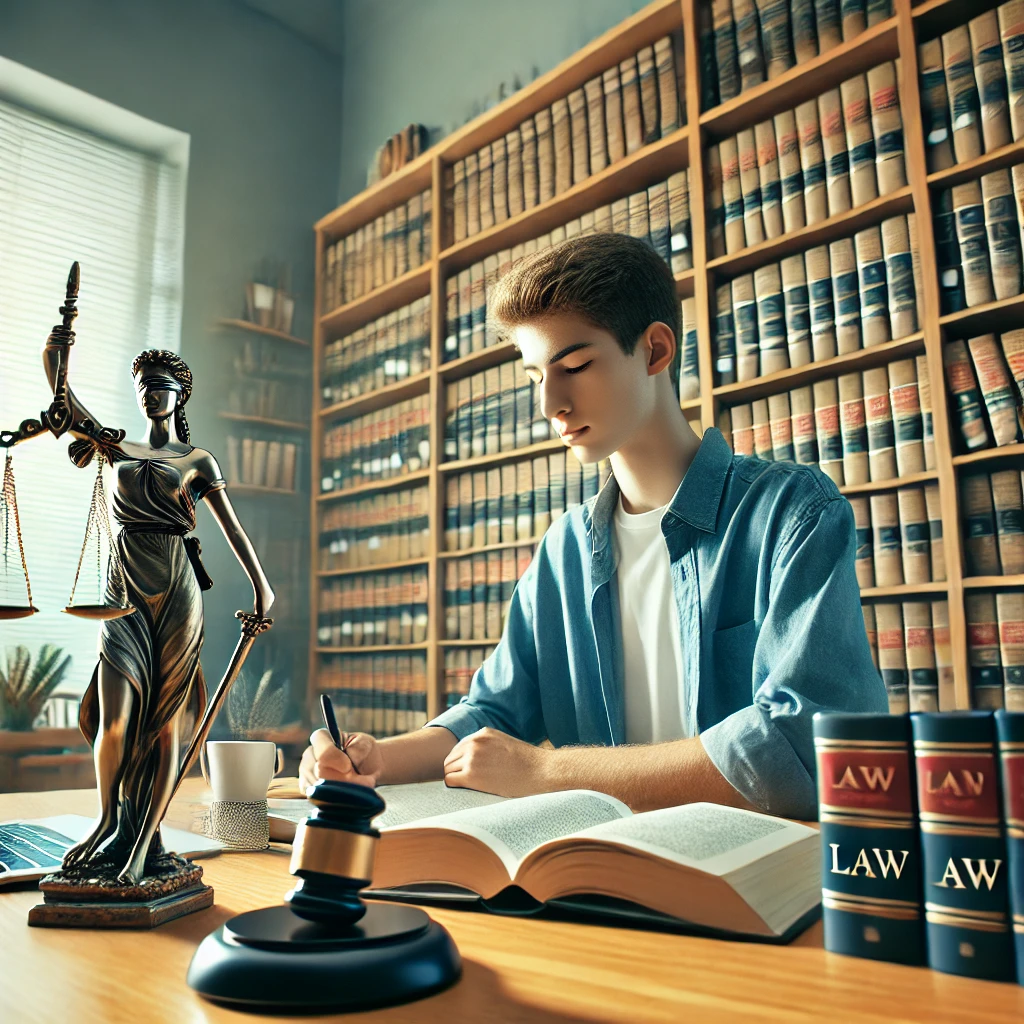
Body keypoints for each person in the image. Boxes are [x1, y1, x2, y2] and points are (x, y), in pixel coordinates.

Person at [301, 233, 886, 820]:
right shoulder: (565, 551)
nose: (549, 403)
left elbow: (805, 749)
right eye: (534, 376)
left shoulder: (791, 512)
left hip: (756, 881)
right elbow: (494, 715)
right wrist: (378, 758)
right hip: (600, 870)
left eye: (575, 365)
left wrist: (546, 772)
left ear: (655, 351)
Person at [45, 347, 275, 884]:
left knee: (168, 721)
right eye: (144, 386)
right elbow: (61, 393)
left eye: (160, 386)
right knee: (116, 716)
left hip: (177, 587)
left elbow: (232, 529)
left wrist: (262, 588)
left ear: (179, 394)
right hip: (122, 583)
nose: (151, 394)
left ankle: (142, 846)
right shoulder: (113, 445)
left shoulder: (198, 460)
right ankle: (107, 821)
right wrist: (57, 342)